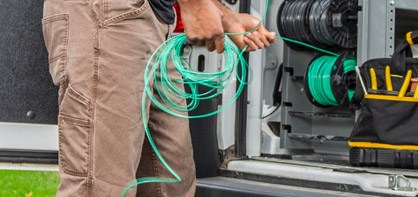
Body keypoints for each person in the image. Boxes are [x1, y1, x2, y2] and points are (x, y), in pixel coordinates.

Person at [41, 0, 275, 196]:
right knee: (101, 186)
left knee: (170, 184)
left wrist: (224, 16)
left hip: (155, 17)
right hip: (108, 15)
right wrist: (195, 4)